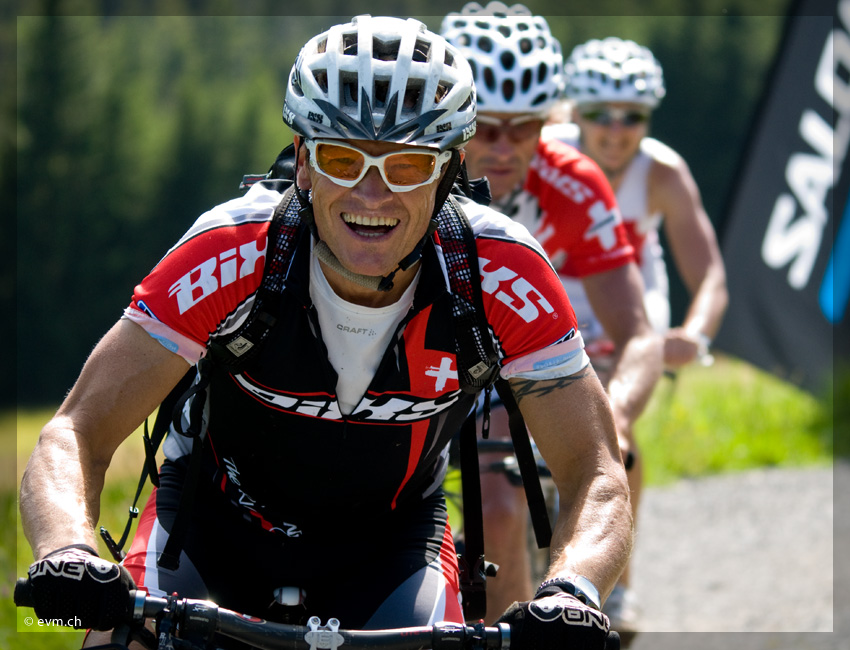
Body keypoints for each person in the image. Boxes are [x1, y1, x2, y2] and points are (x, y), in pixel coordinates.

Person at [19, 15, 632, 650]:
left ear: (448, 171)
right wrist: (66, 547)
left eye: (407, 164)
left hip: (391, 547)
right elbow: (76, 430)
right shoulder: (231, 250)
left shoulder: (499, 271)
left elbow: (595, 469)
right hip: (210, 525)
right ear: (305, 163)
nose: (373, 193)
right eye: (344, 159)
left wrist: (573, 589)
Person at [439, 1, 663, 630]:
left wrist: (614, 415)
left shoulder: (574, 183)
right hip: (424, 361)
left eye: (527, 128)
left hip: (514, 359)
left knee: (503, 512)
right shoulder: (415, 176)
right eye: (486, 127)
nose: (505, 148)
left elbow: (638, 335)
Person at [545, 35, 729, 629]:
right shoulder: (547, 151)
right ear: (576, 112)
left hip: (623, 309)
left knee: (616, 441)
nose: (616, 130)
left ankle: (614, 579)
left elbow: (710, 277)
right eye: (600, 114)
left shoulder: (662, 172)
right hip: (553, 299)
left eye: (633, 117)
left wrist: (694, 336)